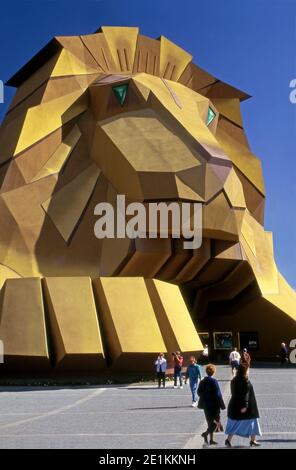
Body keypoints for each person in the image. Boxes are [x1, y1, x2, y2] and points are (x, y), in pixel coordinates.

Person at [225, 363, 261, 447]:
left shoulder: (234, 380)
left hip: (234, 404)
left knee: (235, 423)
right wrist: (245, 405)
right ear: (245, 371)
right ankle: (252, 440)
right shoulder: (246, 381)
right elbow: (246, 394)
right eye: (247, 370)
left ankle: (229, 440)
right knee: (253, 422)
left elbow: (234, 392)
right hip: (247, 407)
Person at [197, 364, 225, 445]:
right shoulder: (214, 381)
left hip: (206, 405)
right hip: (214, 405)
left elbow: (199, 392)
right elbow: (218, 394)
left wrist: (205, 396)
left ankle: (211, 439)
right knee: (216, 422)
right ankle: (205, 434)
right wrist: (222, 405)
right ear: (214, 372)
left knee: (210, 422)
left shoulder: (202, 381)